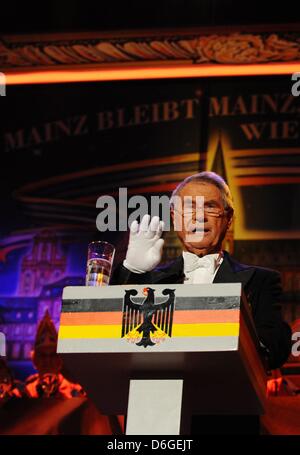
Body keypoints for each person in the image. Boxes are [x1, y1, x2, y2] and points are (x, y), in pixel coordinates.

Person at [111, 171, 292, 434]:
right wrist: (132, 271)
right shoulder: (149, 279)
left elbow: (274, 350)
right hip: (151, 418)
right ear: (174, 217)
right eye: (189, 207)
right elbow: (109, 329)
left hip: (227, 420)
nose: (199, 215)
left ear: (228, 219)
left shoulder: (261, 281)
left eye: (211, 207)